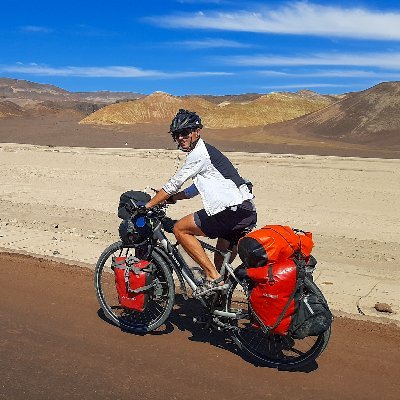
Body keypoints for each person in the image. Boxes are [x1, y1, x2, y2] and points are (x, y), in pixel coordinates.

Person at [145, 109, 257, 296]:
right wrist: (173, 198)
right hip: (245, 211)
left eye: (185, 132)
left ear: (197, 131)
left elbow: (174, 183)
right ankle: (220, 306)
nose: (181, 138)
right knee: (222, 266)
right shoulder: (208, 153)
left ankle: (211, 277)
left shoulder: (200, 154)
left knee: (180, 229)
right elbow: (194, 189)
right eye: (177, 135)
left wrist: (148, 205)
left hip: (231, 211)